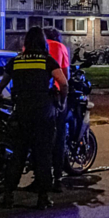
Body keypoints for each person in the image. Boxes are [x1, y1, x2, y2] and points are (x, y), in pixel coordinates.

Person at [0, 27, 68, 209]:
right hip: (44, 113)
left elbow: (2, 84)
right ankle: (43, 198)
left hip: (22, 112)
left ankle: (8, 195)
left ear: (26, 42)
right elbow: (64, 83)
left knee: (18, 155)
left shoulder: (16, 61)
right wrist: (61, 102)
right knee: (43, 155)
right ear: (43, 42)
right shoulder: (47, 61)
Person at [44, 27, 71, 192]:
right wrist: (64, 97)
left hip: (33, 97)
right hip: (54, 96)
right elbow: (65, 74)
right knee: (59, 136)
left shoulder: (29, 49)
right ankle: (57, 177)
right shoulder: (60, 47)